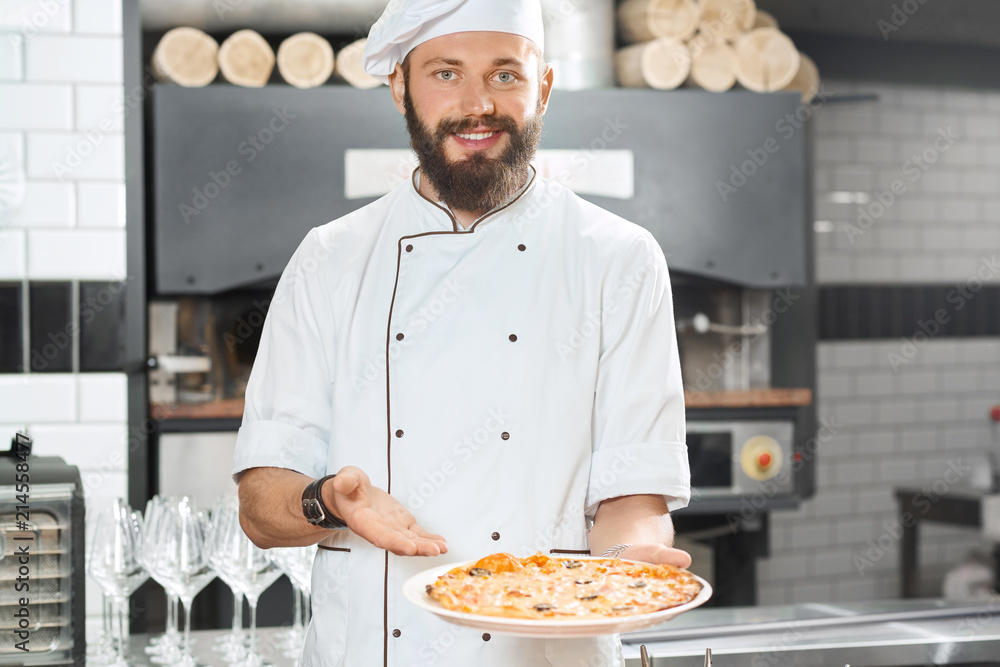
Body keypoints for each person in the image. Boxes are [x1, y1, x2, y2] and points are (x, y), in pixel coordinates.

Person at [232, 0, 691, 665]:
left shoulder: (618, 258)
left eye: (506, 75)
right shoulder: (330, 260)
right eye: (446, 73)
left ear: (546, 87)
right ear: (400, 88)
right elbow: (258, 508)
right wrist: (326, 500)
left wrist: (631, 561)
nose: (478, 104)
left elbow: (633, 497)